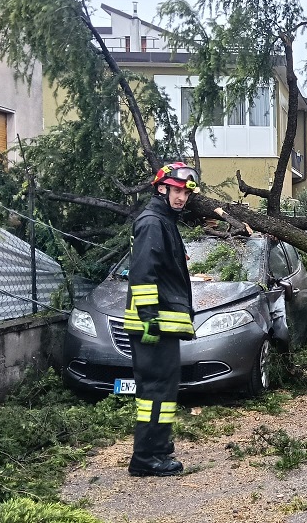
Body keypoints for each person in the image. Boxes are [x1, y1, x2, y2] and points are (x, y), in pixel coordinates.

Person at [124, 161, 200, 477]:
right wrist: (148, 317)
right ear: (161, 188)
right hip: (153, 325)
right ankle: (145, 458)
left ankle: (158, 448)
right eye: (177, 190)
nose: (182, 197)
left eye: (185, 192)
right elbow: (143, 272)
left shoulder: (164, 221)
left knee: (163, 391)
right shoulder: (154, 223)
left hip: (161, 324)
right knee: (155, 391)